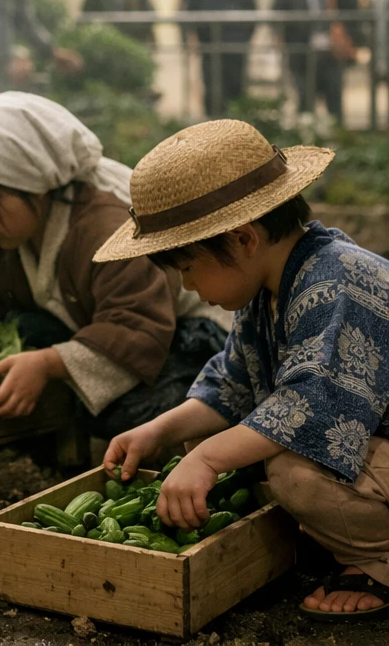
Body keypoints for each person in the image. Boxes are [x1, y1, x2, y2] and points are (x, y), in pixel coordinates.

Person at [97, 118, 389, 620]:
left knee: (289, 472)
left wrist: (208, 460)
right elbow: (230, 385)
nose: (187, 286)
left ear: (242, 240)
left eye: (187, 267)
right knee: (207, 449)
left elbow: (309, 403)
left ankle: (378, 560)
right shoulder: (270, 289)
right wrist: (158, 431)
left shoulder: (336, 280)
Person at [0, 93, 230, 438]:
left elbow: (136, 324)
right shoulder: (2, 236)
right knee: (24, 329)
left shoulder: (106, 229)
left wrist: (48, 364)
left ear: (33, 184)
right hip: (115, 331)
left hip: (185, 334)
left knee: (133, 414)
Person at [273, 0, 348, 121]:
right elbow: (278, 12)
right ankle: (306, 145)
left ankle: (338, 140)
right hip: (301, 48)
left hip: (330, 49)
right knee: (305, 98)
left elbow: (347, 7)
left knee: (334, 96)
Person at [183, 0, 257, 116]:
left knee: (212, 88)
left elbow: (190, 17)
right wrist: (244, 40)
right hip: (235, 46)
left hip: (209, 47)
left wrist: (198, 40)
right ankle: (239, 132)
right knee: (236, 89)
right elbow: (252, 15)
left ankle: (213, 133)